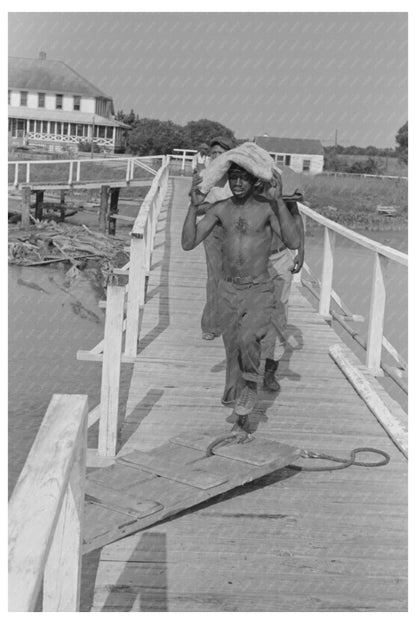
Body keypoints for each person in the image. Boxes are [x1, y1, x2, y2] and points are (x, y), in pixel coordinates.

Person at [182, 162, 300, 422]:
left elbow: (293, 241)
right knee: (233, 348)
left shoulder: (267, 209)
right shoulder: (220, 209)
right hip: (228, 289)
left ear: (254, 181)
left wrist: (279, 202)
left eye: (243, 178)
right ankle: (241, 414)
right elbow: (188, 242)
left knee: (249, 338)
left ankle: (249, 385)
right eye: (233, 178)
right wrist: (193, 206)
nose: (237, 183)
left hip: (258, 288)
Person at [261, 198, 305, 391]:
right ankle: (245, 369)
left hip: (280, 255)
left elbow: (296, 215)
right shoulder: (246, 179)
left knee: (279, 317)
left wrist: (301, 250)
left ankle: (270, 371)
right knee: (247, 313)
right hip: (253, 257)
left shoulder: (282, 182)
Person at [195, 136, 235, 340]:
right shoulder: (204, 176)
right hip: (211, 229)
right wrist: (217, 207)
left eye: (221, 153)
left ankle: (233, 320)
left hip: (235, 230)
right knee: (215, 276)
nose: (217, 157)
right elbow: (195, 206)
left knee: (235, 275)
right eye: (214, 154)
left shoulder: (237, 175)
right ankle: (210, 325)